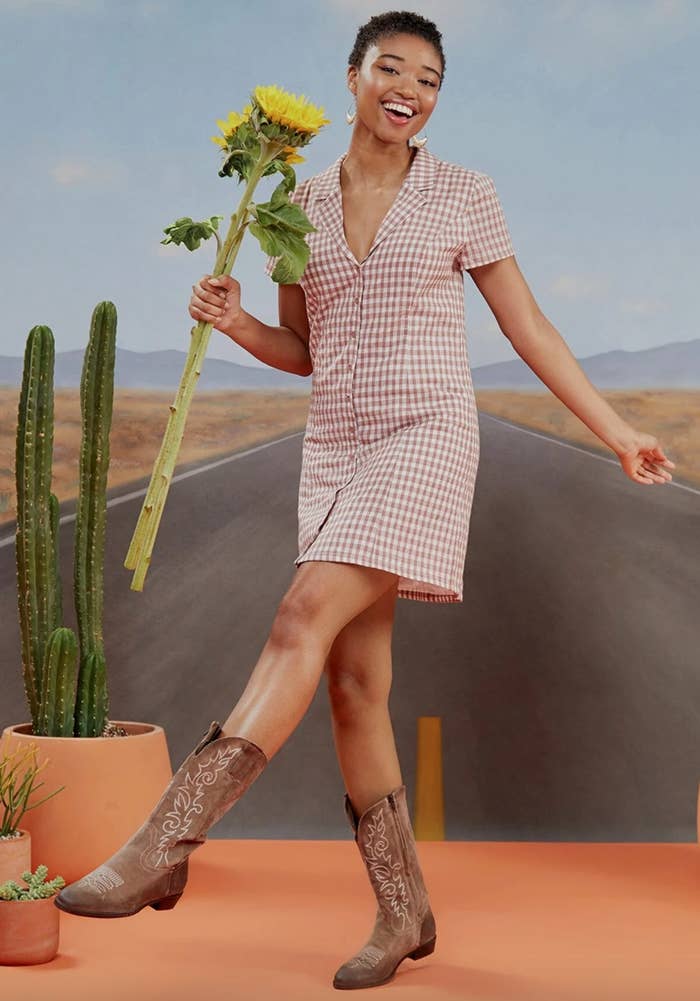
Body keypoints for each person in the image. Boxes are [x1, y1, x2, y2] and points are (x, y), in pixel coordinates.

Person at [55, 9, 676, 992]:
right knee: (353, 688)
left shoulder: (464, 194)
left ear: (434, 98)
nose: (409, 89)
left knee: (301, 610)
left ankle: (164, 840)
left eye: (428, 79)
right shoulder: (291, 205)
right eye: (391, 68)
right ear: (352, 78)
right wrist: (238, 320)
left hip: (427, 433)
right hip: (336, 447)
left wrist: (616, 429)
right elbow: (305, 352)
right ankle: (403, 909)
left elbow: (529, 329)